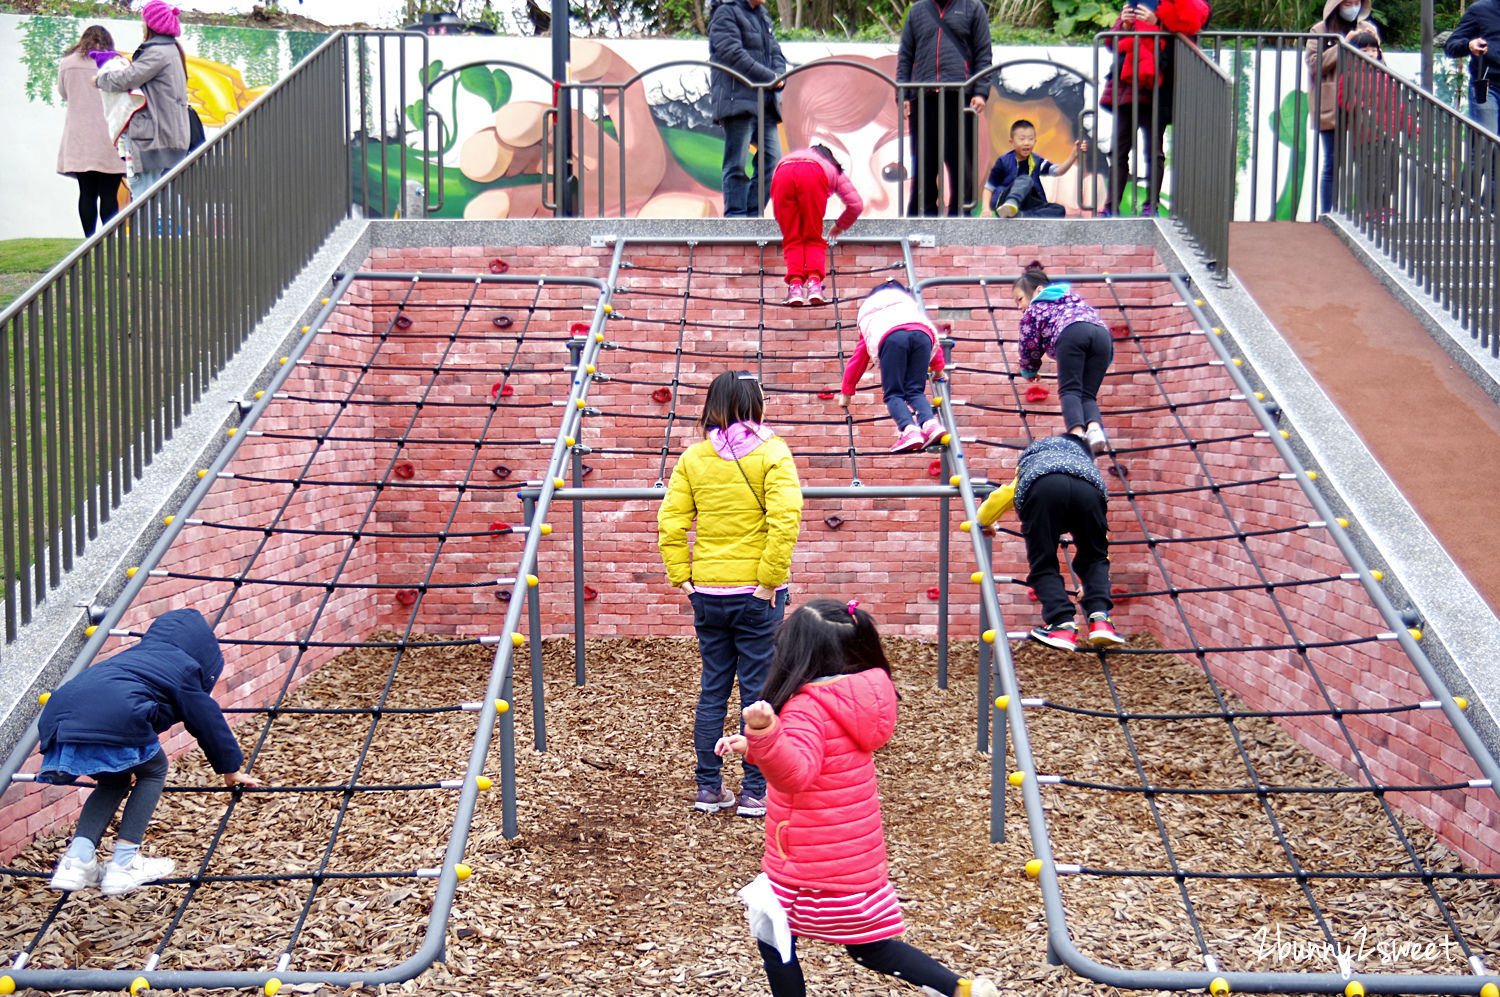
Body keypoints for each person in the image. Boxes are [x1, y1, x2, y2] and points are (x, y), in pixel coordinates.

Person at [715, 599, 1002, 997]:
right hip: (854, 857)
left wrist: (764, 733)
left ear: (798, 653)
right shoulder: (860, 696)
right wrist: (754, 746)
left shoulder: (804, 708)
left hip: (810, 860)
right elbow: (821, 755)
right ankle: (961, 989)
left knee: (773, 933)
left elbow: (795, 774)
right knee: (870, 947)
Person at [658, 371, 803, 817]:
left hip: (708, 591)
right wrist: (767, 582)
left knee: (712, 690)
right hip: (756, 594)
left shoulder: (694, 458)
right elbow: (785, 520)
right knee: (759, 690)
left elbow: (671, 520)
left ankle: (708, 787)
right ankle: (756, 792)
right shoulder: (773, 453)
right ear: (753, 405)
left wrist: (682, 577)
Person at [38, 608, 258, 897]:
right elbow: (207, 719)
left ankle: (76, 862)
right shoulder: (184, 667)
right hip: (116, 715)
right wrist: (231, 769)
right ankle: (124, 864)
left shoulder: (134, 657)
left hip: (60, 715)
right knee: (153, 770)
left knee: (113, 781)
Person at [976, 436, 1125, 650]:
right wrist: (1093, 587)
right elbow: (1100, 549)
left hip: (1044, 488)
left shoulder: (1037, 460)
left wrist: (985, 521)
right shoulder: (1083, 463)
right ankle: (1101, 620)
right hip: (1090, 491)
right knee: (1095, 556)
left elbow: (1002, 497)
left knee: (1043, 561)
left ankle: (1062, 624)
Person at [1104, 0, 1212, 216]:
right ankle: (1110, 208)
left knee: (1154, 150)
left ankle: (1150, 205)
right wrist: (1124, 26)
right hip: (1127, 85)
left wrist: (1159, 23)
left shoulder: (1182, 5)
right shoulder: (1138, 3)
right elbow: (1110, 42)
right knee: (1119, 149)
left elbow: (1189, 34)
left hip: (1158, 85)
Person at [896, 0, 993, 216]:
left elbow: (983, 54)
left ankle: (961, 217)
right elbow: (905, 56)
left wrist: (980, 91)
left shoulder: (973, 7)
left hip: (960, 96)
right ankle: (922, 216)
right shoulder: (917, 11)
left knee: (961, 163)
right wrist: (903, 94)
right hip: (924, 96)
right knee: (924, 163)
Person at [1013, 261, 1113, 452]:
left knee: (1070, 390)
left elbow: (1028, 343)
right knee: (1087, 395)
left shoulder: (1036, 307)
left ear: (1038, 290)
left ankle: (1076, 435)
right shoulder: (1072, 299)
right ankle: (1094, 430)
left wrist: (1029, 370)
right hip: (1102, 337)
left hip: (1071, 333)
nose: (1019, 307)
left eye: (1019, 300)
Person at [839, 281, 947, 453]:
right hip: (923, 335)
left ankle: (909, 430)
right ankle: (931, 424)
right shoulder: (910, 306)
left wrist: (847, 390)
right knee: (915, 391)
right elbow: (935, 339)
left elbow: (859, 358)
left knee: (894, 393)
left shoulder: (870, 313)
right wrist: (939, 369)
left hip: (891, 338)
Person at [96, 0, 192, 195]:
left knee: (143, 199)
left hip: (153, 138)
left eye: (143, 21)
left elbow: (126, 79)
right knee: (163, 201)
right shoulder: (171, 50)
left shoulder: (157, 53)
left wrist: (99, 79)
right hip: (167, 135)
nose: (141, 25)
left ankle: (151, 228)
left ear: (151, 24)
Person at [709, 0, 787, 218]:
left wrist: (779, 77)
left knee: (772, 161)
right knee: (737, 163)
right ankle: (735, 216)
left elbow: (777, 54)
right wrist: (768, 77)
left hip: (764, 102)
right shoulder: (726, 12)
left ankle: (753, 215)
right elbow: (731, 53)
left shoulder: (762, 15)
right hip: (737, 100)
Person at [1306, 0, 1379, 214]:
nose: (1353, 6)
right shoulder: (1319, 30)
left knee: (1365, 162)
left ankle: (1365, 214)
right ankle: (1328, 214)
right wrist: (1343, 45)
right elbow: (1314, 64)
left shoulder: (1368, 29)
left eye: (1357, 2)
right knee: (1332, 161)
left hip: (1363, 104)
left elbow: (1380, 60)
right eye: (1348, 2)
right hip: (1330, 104)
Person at [769, 143, 864, 307]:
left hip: (782, 174)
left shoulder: (793, 156)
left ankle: (795, 288)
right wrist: (840, 225)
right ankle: (814, 286)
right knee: (812, 237)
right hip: (812, 174)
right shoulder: (831, 167)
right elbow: (856, 205)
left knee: (792, 238)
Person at [56, 25, 128, 237]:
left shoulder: (67, 63)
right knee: (109, 193)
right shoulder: (116, 63)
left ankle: (88, 240)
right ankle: (108, 240)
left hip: (79, 137)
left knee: (86, 193)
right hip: (109, 136)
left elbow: (64, 93)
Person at [984, 119, 1085, 218]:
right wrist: (985, 209)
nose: (1027, 143)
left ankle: (1021, 216)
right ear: (1012, 142)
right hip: (1005, 202)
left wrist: (1073, 156)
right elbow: (989, 187)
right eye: (1022, 139)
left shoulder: (1036, 160)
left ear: (1035, 141)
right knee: (1026, 179)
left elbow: (1057, 171)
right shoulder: (1004, 161)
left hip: (1027, 204)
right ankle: (1011, 204)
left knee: (1059, 210)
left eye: (1030, 139)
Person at [1444, 0, 1500, 136]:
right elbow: (1451, 46)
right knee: (1487, 143)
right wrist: (1469, 45)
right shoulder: (1480, 10)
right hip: (1487, 88)